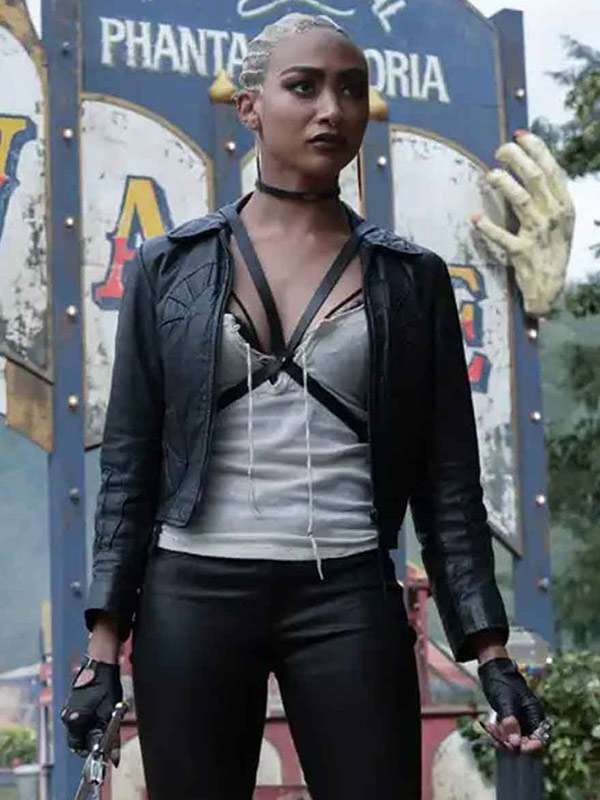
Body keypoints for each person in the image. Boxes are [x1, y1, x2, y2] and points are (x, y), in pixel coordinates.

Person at [60, 12, 550, 799]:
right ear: (250, 107)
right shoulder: (167, 268)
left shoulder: (412, 279)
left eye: (351, 90)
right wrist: (101, 650)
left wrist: (489, 654)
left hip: (348, 591)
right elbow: (130, 470)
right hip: (193, 591)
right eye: (304, 87)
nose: (332, 109)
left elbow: (448, 484)